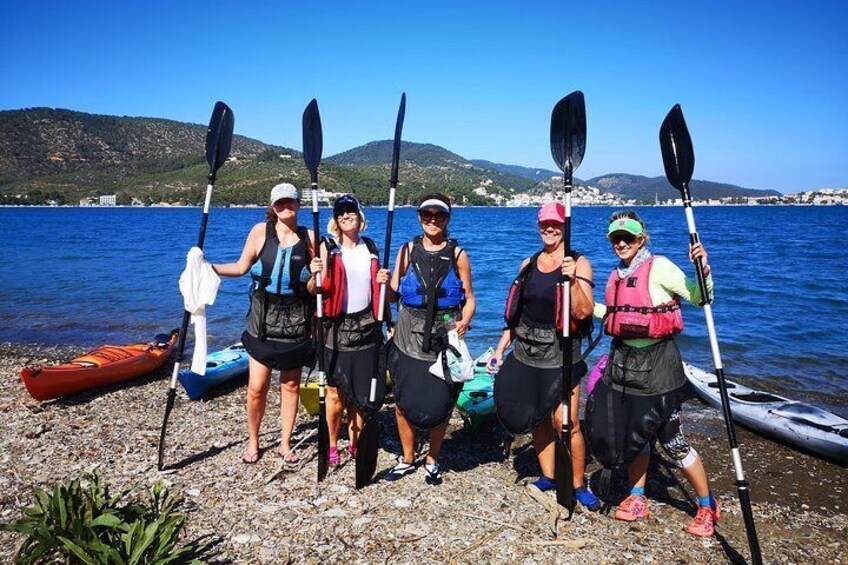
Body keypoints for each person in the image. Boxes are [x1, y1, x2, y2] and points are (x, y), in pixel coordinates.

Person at [585, 210, 720, 537]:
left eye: (627, 237)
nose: (620, 243)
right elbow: (615, 313)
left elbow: (701, 297)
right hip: (625, 364)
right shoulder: (617, 274)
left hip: (659, 367)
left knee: (672, 440)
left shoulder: (659, 266)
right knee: (635, 434)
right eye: (615, 238)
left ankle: (707, 504)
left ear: (641, 238)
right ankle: (637, 498)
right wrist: (584, 304)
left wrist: (702, 268)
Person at [490, 202, 600, 511]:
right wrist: (500, 349)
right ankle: (549, 474)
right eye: (544, 223)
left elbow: (583, 310)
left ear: (564, 226)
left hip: (562, 353)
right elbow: (516, 315)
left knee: (566, 423)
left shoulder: (579, 263)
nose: (549, 229)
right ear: (538, 225)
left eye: (555, 223)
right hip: (527, 350)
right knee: (538, 417)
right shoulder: (528, 263)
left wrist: (573, 280)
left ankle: (578, 484)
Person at [212, 183, 318, 464]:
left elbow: (315, 290)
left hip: (296, 321)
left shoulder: (311, 237)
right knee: (257, 386)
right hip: (262, 321)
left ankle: (285, 443)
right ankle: (253, 441)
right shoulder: (260, 232)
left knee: (290, 386)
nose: (286, 207)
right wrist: (209, 268)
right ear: (273, 207)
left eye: (291, 202)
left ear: (299, 204)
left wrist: (318, 275)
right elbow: (240, 267)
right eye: (280, 203)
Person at [383, 192, 475, 485]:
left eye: (439, 216)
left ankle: (433, 459)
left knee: (442, 401)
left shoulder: (458, 255)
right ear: (420, 218)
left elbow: (470, 298)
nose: (432, 221)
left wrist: (465, 320)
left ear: (447, 219)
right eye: (427, 215)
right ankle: (408, 457)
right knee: (402, 400)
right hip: (408, 333)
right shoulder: (406, 251)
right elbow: (393, 294)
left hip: (444, 333)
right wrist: (383, 285)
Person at [311, 195, 390, 464]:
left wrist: (384, 282)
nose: (346, 215)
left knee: (358, 394)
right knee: (335, 393)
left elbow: (383, 293)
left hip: (367, 327)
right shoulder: (328, 247)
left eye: (350, 211)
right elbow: (314, 290)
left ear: (359, 216)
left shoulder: (371, 247)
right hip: (335, 328)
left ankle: (356, 442)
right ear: (335, 219)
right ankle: (332, 444)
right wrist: (313, 274)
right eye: (340, 212)